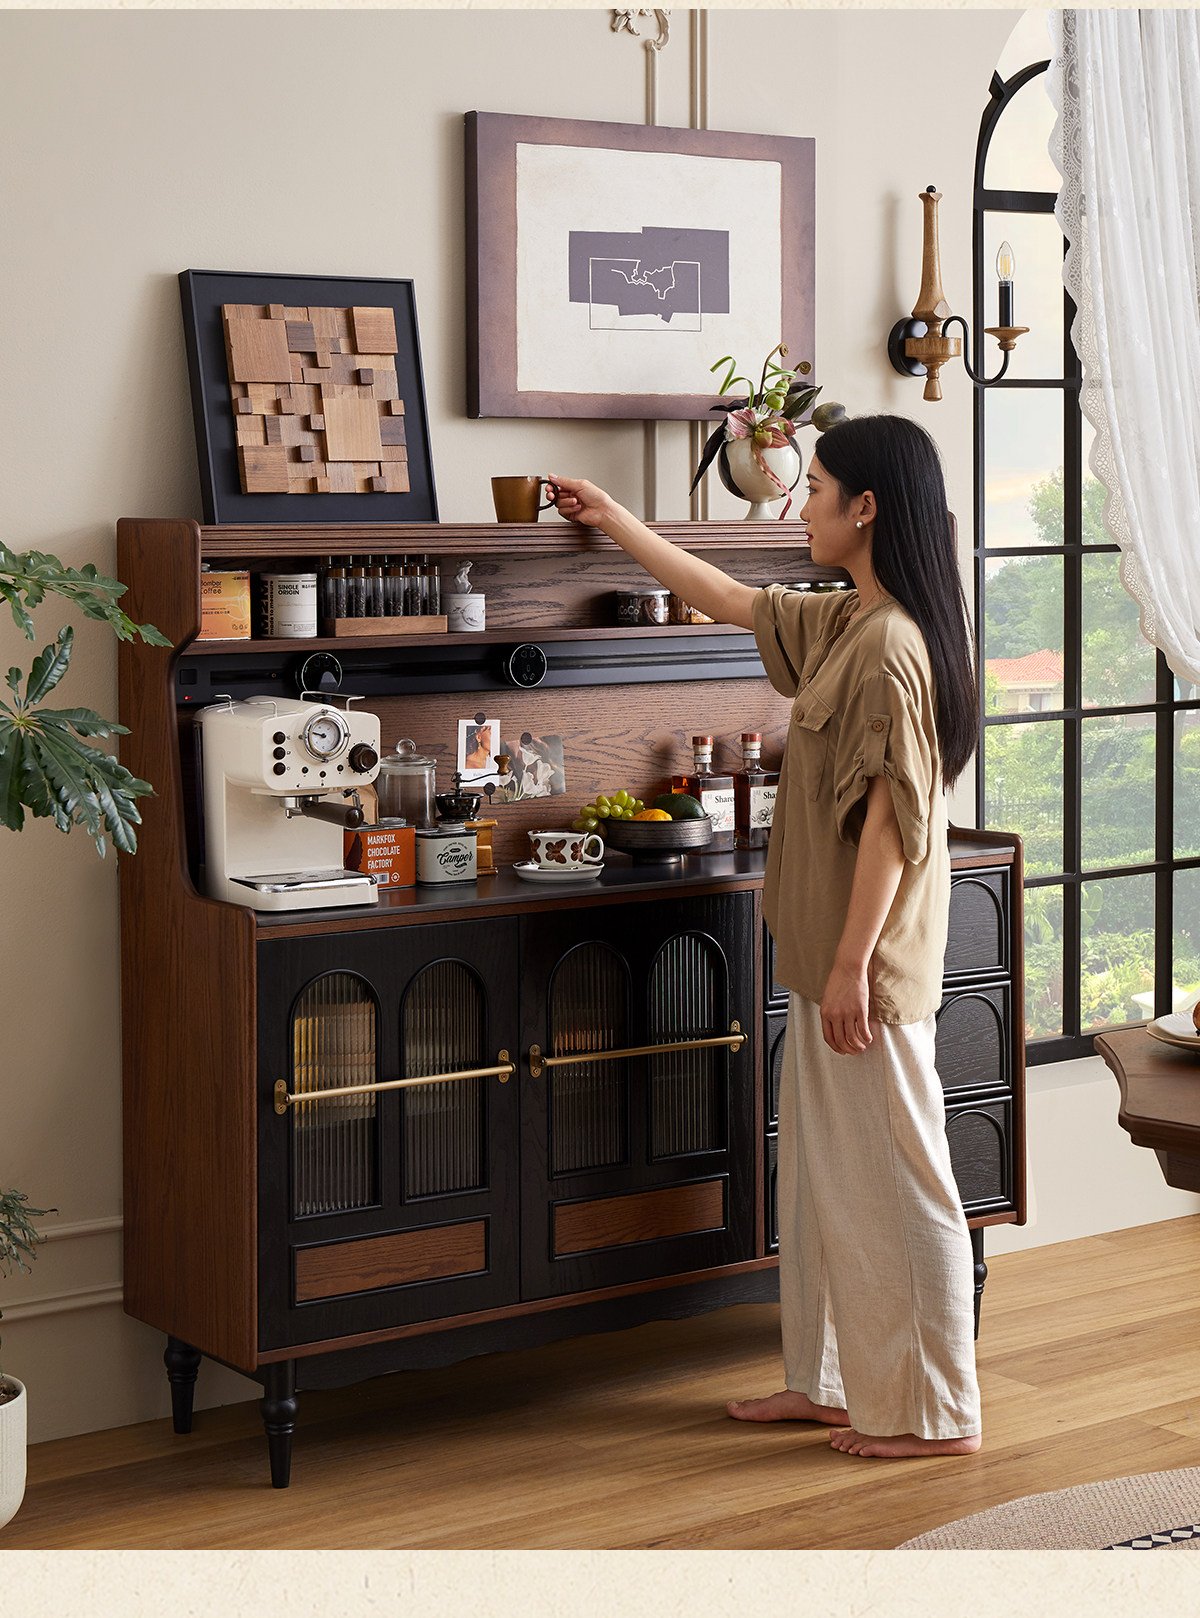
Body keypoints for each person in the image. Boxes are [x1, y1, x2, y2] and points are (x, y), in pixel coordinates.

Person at [547, 414, 983, 1460]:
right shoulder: (850, 620)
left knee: (899, 1178)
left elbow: (893, 819)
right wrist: (615, 521)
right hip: (824, 957)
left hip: (861, 971)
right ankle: (830, 1383)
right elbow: (733, 598)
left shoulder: (889, 647)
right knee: (829, 1177)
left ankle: (938, 1413)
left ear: (865, 508)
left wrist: (850, 967)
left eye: (819, 486)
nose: (802, 502)